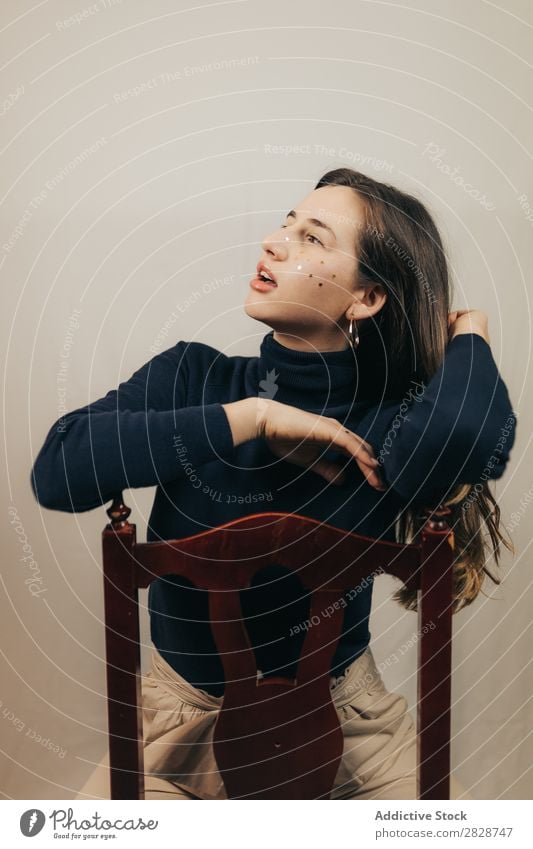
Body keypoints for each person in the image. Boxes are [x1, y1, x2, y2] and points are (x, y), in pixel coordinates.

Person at [30, 167, 517, 800]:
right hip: (179, 723)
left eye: (313, 237)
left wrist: (470, 334)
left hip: (350, 728)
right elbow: (58, 473)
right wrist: (251, 417)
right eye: (286, 223)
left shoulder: (392, 421)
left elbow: (464, 438)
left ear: (366, 298)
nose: (274, 241)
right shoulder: (193, 378)